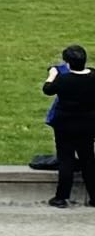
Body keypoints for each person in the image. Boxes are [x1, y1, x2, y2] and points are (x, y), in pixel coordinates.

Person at [43, 46, 95, 208]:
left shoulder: (64, 80)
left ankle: (61, 197)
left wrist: (52, 75)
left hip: (65, 124)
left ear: (67, 63)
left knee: (66, 160)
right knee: (88, 159)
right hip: (88, 123)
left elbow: (48, 89)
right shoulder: (93, 76)